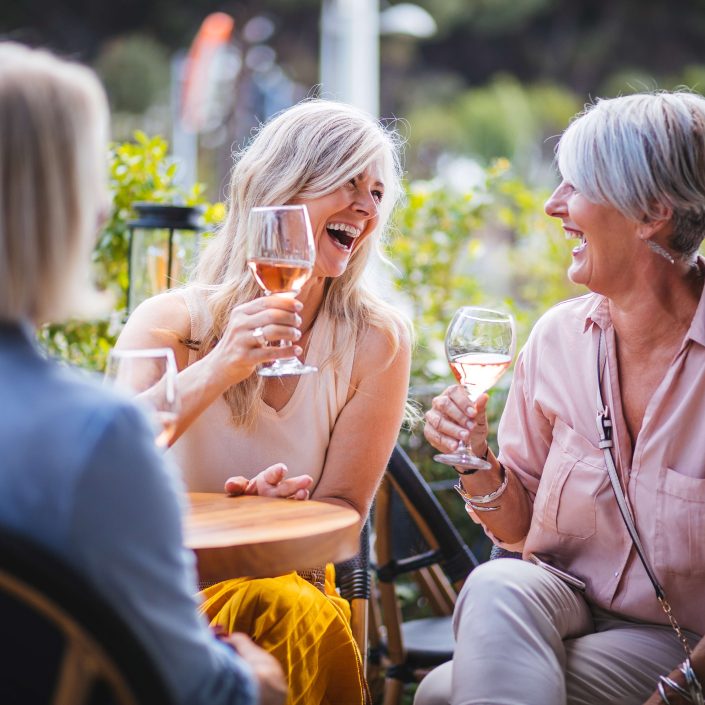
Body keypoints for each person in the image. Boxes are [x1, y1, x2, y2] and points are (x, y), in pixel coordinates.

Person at [0, 42, 286, 705]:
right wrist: (260, 681)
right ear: (58, 212)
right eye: (88, 182)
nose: (102, 208)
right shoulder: (94, 436)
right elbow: (193, 689)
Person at [114, 99, 412, 704]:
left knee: (282, 602)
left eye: (377, 193)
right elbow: (112, 459)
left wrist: (281, 522)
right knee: (280, 608)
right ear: (280, 192)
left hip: (296, 581)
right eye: (348, 183)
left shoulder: (376, 340)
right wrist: (223, 364)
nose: (366, 207)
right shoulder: (170, 322)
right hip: (170, 588)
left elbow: (344, 512)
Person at [418, 91, 705, 705]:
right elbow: (519, 533)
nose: (553, 205)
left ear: (652, 211)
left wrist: (681, 691)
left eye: (576, 185)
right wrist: (475, 461)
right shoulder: (557, 340)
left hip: (681, 642)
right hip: (565, 603)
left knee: (443, 693)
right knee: (498, 583)